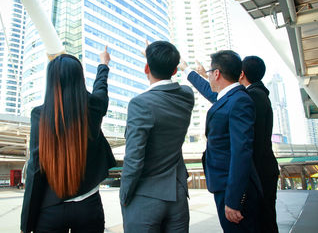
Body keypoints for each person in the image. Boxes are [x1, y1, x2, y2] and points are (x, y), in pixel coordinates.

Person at [20, 48, 116, 233]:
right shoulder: (94, 108)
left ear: (51, 82)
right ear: (80, 80)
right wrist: (103, 64)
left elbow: (35, 168)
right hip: (89, 208)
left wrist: (27, 223)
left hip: (50, 210)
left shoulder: (39, 116)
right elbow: (100, 88)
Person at [179, 50, 261, 232]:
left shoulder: (239, 101)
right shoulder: (228, 98)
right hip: (225, 186)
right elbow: (209, 91)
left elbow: (241, 152)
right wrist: (186, 70)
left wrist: (233, 200)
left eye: (209, 72)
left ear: (216, 73)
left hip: (234, 192)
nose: (207, 77)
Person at [120, 41, 194, 232]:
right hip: (177, 196)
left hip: (146, 197)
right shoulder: (186, 96)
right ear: (175, 69)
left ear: (146, 67)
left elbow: (134, 158)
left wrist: (124, 195)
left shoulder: (140, 103)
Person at [239, 56, 279, 233]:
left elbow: (251, 141)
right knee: (267, 218)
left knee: (262, 222)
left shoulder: (252, 96)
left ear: (241, 74)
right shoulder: (260, 94)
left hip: (260, 171)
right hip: (266, 168)